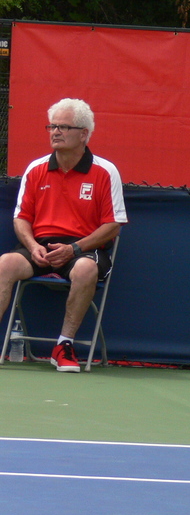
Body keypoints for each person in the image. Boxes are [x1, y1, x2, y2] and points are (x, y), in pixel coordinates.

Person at [0, 98, 127, 372]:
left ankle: (64, 345)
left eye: (63, 127)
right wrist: (32, 246)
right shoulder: (36, 169)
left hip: (83, 249)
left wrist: (74, 250)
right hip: (40, 247)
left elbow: (113, 225)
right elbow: (21, 218)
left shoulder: (106, 171)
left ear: (84, 134)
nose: (55, 132)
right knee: (5, 264)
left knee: (84, 270)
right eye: (52, 126)